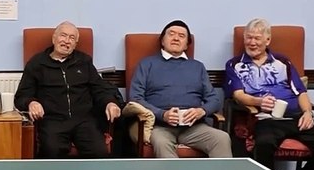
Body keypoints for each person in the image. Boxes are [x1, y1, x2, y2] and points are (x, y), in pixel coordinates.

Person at [224, 18, 314, 170]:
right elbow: (238, 95)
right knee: (264, 144)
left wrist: (308, 113)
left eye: (257, 38)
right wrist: (258, 101)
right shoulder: (235, 64)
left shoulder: (283, 62)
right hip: (266, 119)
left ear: (267, 40)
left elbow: (300, 92)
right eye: (248, 38)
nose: (252, 42)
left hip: (296, 118)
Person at [14, 21, 121, 158]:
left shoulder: (84, 61)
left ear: (75, 44)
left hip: (84, 120)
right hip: (52, 120)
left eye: (72, 38)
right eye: (63, 36)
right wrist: (31, 103)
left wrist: (110, 102)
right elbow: (22, 95)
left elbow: (99, 88)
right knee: (52, 151)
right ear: (54, 38)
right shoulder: (36, 63)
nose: (66, 41)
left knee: (99, 151)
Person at [126, 20, 230, 158]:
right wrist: (162, 114)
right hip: (159, 126)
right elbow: (135, 98)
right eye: (171, 34)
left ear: (187, 44)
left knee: (222, 138)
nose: (176, 38)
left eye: (181, 36)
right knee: (161, 142)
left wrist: (201, 111)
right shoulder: (147, 64)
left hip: (193, 127)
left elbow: (214, 99)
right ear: (162, 41)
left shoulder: (197, 67)